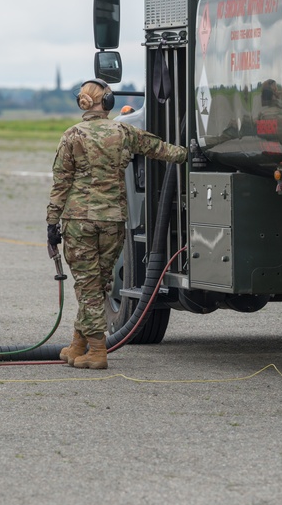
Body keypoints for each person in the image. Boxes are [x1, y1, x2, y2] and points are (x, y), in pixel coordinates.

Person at [46, 79, 187, 369]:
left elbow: (61, 184)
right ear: (107, 103)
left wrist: (51, 223)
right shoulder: (123, 131)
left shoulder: (72, 136)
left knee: (87, 285)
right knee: (99, 282)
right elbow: (159, 149)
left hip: (79, 221)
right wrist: (188, 153)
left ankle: (97, 350)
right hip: (112, 220)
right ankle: (79, 343)